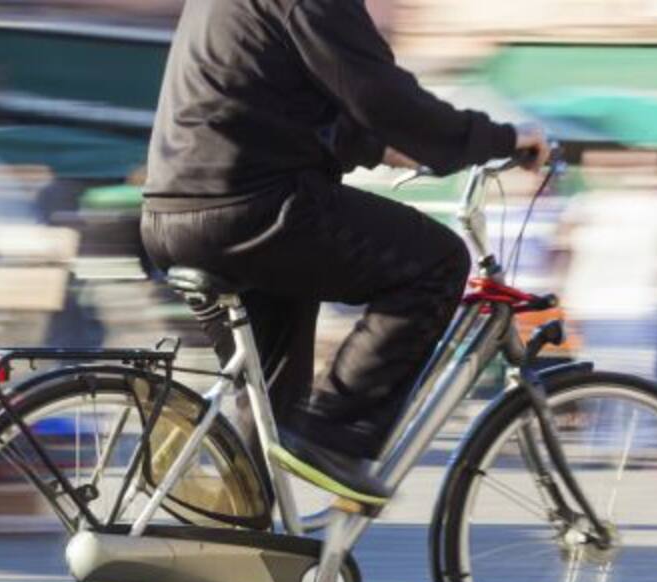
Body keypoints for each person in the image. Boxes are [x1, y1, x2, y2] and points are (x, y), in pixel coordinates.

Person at [141, 0, 548, 504]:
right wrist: (499, 138)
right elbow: (381, 97)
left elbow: (280, 101)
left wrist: (381, 148)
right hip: (250, 208)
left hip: (177, 213)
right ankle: (334, 434)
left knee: (270, 402)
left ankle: (242, 547)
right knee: (437, 262)